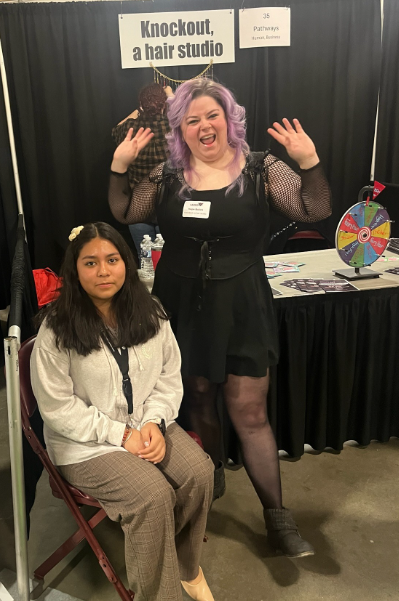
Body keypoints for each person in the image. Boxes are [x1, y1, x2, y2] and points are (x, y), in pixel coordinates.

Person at [108, 78, 332, 558]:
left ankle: (277, 517)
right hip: (181, 303)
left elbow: (317, 208)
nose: (204, 126)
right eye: (192, 120)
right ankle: (209, 478)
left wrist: (308, 161)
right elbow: (126, 212)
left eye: (212, 115)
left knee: (249, 411)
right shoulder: (169, 175)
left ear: (229, 119)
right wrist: (119, 168)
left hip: (244, 304)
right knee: (200, 399)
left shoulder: (259, 167)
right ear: (180, 130)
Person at [30, 222, 215, 601]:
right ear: (74, 269)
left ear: (126, 263)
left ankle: (184, 568)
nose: (103, 271)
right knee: (152, 496)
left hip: (146, 424)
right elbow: (57, 407)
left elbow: (168, 375)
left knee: (200, 473)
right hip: (86, 444)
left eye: (112, 260)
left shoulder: (150, 311)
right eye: (90, 263)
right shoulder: (56, 329)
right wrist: (121, 436)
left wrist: (153, 422)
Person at [112, 83, 173, 263]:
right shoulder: (172, 127)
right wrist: (169, 96)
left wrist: (140, 108)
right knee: (169, 261)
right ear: (163, 105)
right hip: (167, 206)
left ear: (141, 105)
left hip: (137, 206)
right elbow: (183, 114)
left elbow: (116, 128)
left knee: (145, 261)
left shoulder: (129, 130)